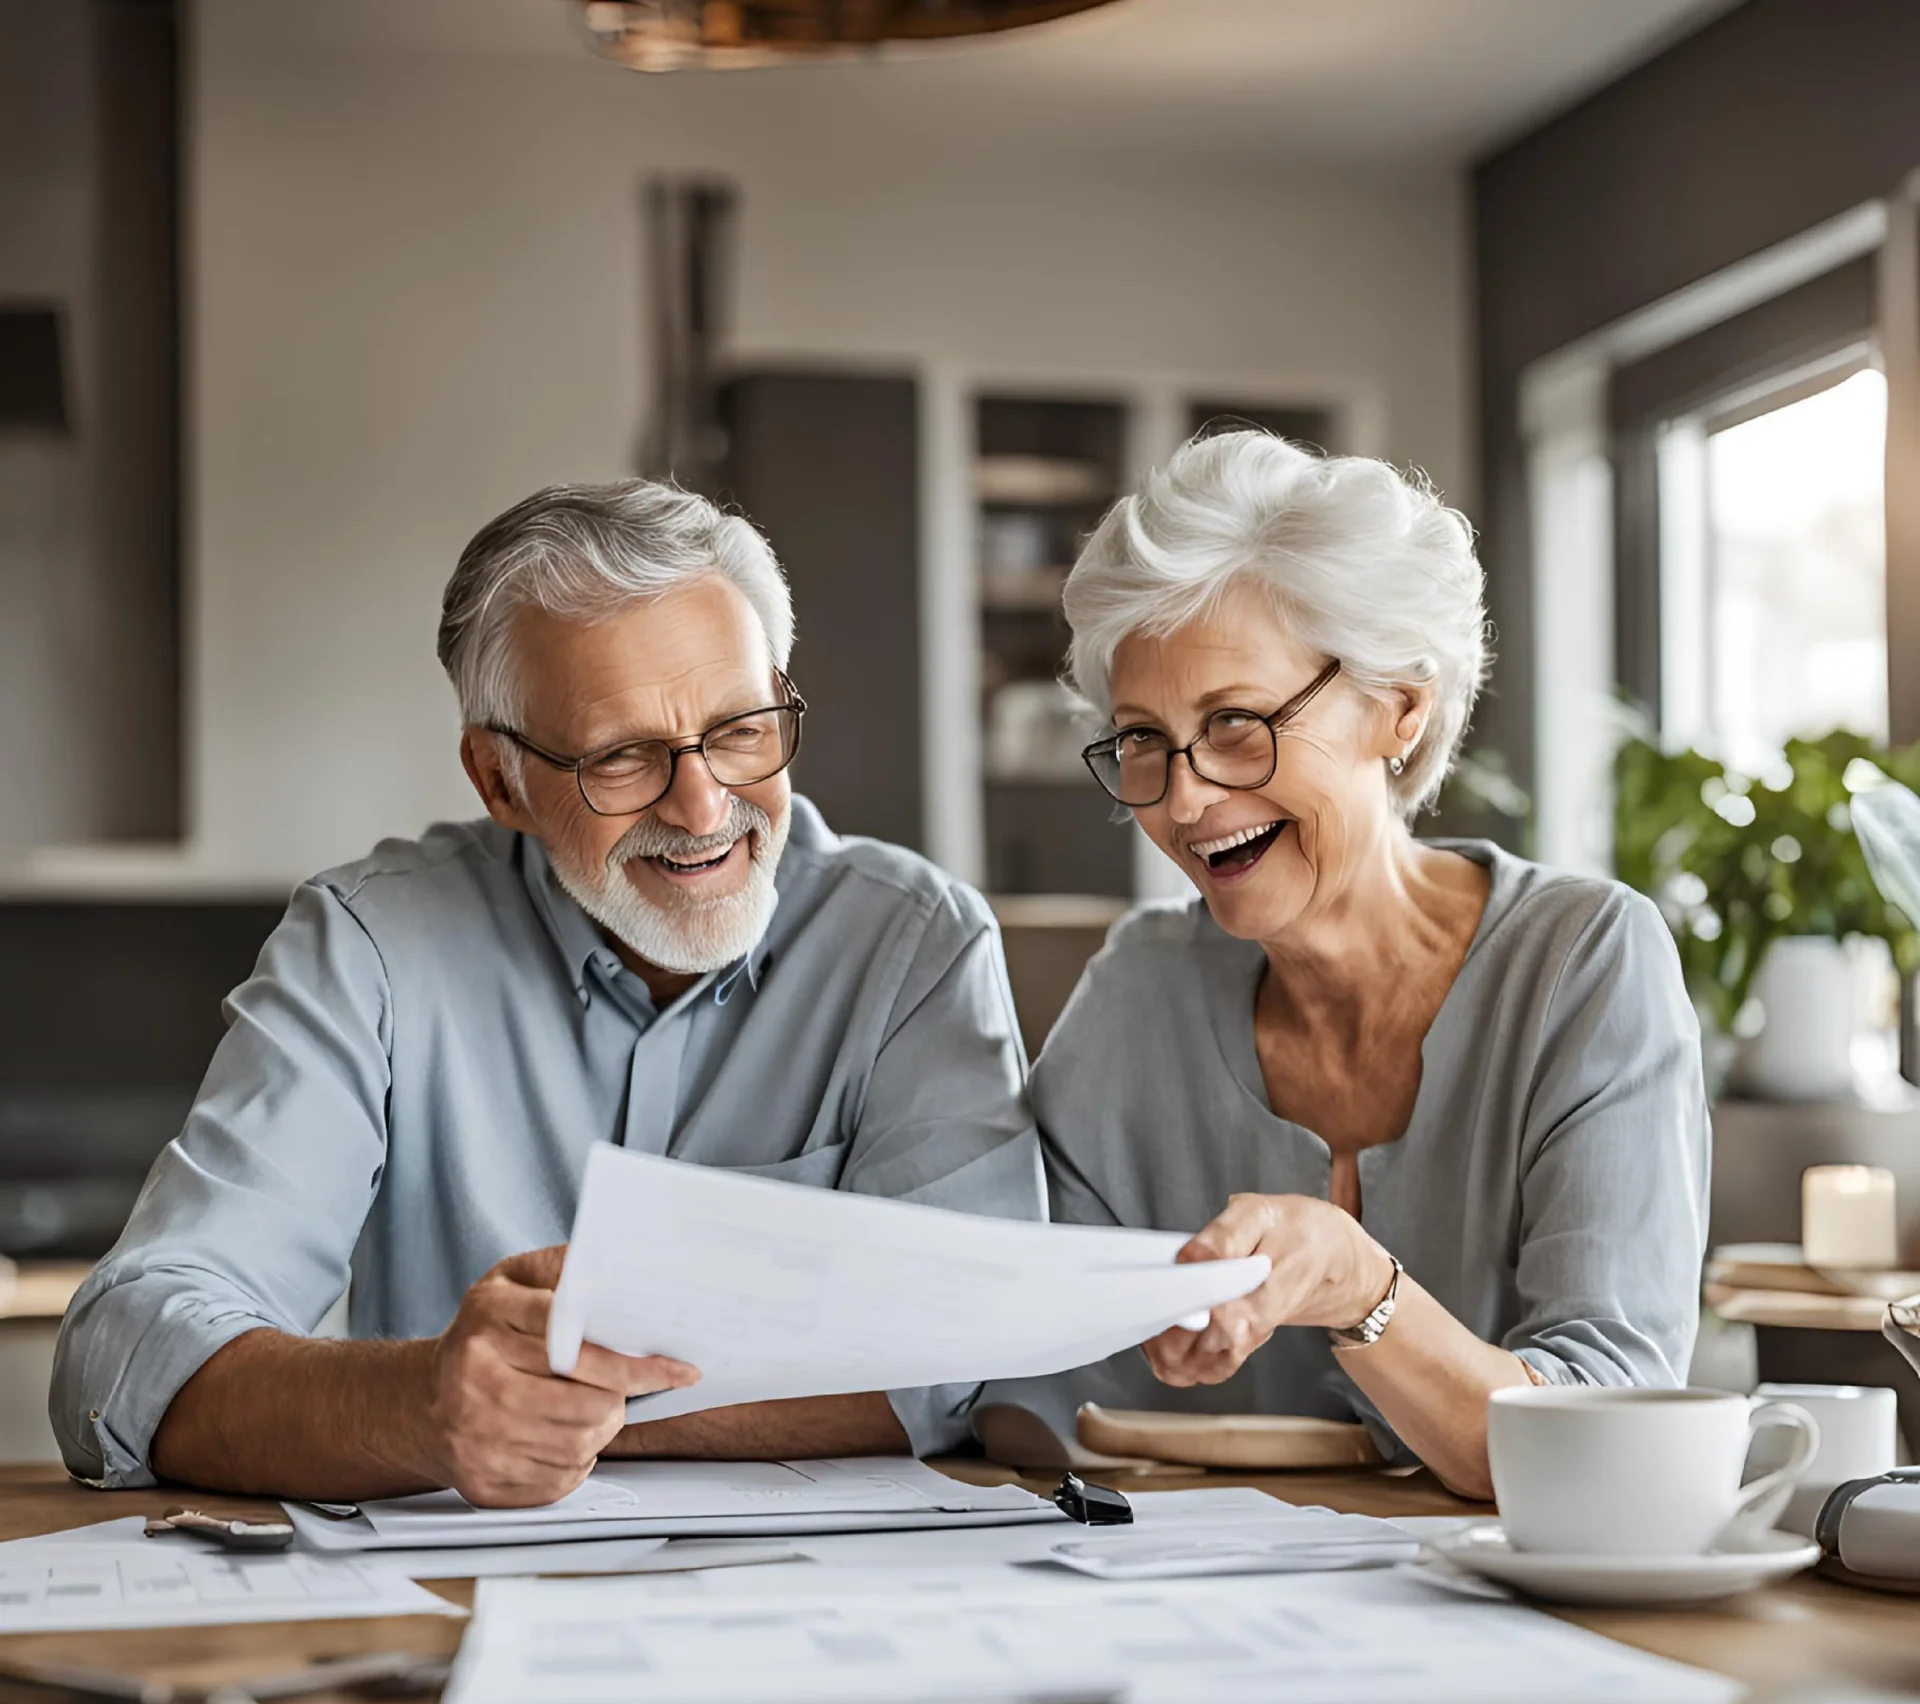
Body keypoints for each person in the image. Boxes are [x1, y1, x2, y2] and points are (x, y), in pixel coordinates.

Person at [52, 480, 1040, 1504]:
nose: (704, 807)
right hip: (450, 1606)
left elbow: (969, 1359)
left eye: (741, 730)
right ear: (498, 780)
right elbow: (121, 1354)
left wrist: (573, 1419)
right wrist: (422, 1408)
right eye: (623, 757)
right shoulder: (373, 947)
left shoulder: (915, 942)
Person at [976, 431, 1706, 1499]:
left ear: (1398, 708)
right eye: (1144, 741)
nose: (1183, 801)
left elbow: (1615, 1436)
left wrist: (1360, 1285)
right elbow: (1011, 1376)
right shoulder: (1137, 996)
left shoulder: (1581, 965)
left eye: (1235, 726)